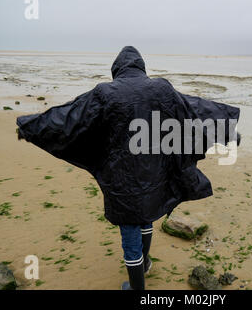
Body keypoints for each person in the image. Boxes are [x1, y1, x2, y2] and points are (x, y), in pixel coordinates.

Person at [16, 46, 240, 290]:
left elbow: (69, 118)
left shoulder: (105, 92)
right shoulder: (161, 89)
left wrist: (31, 128)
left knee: (130, 229)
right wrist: (226, 130)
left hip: (121, 176)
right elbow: (193, 110)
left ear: (117, 68)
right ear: (141, 66)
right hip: (154, 172)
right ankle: (144, 265)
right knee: (145, 216)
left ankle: (136, 287)